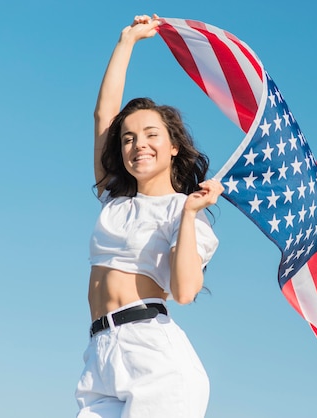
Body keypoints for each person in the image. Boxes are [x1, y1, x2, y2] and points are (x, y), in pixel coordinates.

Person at [75, 14, 224, 418]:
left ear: (174, 146)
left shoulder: (184, 210)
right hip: (100, 355)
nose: (138, 144)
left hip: (154, 358)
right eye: (129, 138)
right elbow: (103, 117)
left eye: (151, 134)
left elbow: (186, 291)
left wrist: (190, 215)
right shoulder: (116, 199)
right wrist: (127, 42)